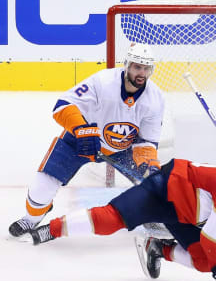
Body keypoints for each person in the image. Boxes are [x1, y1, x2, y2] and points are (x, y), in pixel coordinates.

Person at [29, 158, 216, 281]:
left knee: (203, 261)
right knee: (110, 220)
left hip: (186, 215)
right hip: (164, 190)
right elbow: (214, 236)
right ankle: (52, 229)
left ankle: (156, 247)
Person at [9, 42, 165, 238]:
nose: (141, 73)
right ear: (127, 65)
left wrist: (150, 165)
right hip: (79, 141)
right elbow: (63, 105)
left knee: (155, 183)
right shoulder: (103, 82)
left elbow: (147, 141)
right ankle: (31, 219)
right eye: (136, 67)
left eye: (146, 68)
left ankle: (151, 215)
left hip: (123, 149)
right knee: (42, 188)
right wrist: (82, 130)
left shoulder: (156, 98)